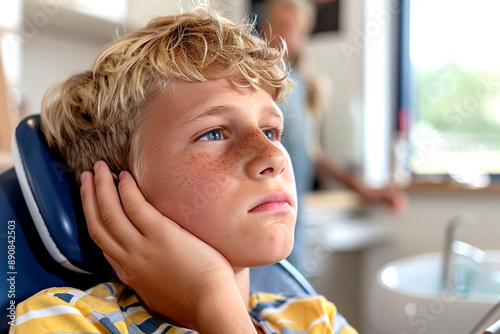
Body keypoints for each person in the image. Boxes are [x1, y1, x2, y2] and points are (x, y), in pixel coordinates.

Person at [9, 4, 357, 334]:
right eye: (214, 133)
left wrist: (216, 304)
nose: (274, 156)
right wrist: (210, 297)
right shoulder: (63, 322)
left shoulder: (316, 319)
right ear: (116, 190)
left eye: (270, 131)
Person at [259, 0, 407, 272]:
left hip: (292, 218)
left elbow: (309, 152)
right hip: (259, 212)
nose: (278, 34)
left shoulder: (302, 85)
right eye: (274, 25)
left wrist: (365, 189)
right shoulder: (254, 80)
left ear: (303, 35)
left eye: (288, 27)